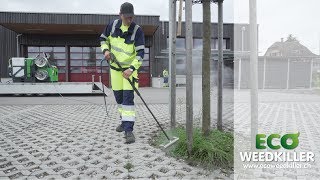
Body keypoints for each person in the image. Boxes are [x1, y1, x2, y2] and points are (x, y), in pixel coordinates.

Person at [100, 2, 145, 144]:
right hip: (115, 70)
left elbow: (140, 53)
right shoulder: (112, 26)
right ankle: (124, 121)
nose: (129, 20)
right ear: (120, 15)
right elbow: (103, 39)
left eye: (131, 17)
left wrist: (131, 69)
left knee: (127, 100)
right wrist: (106, 50)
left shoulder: (137, 30)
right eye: (127, 17)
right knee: (119, 99)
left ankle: (129, 130)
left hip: (129, 72)